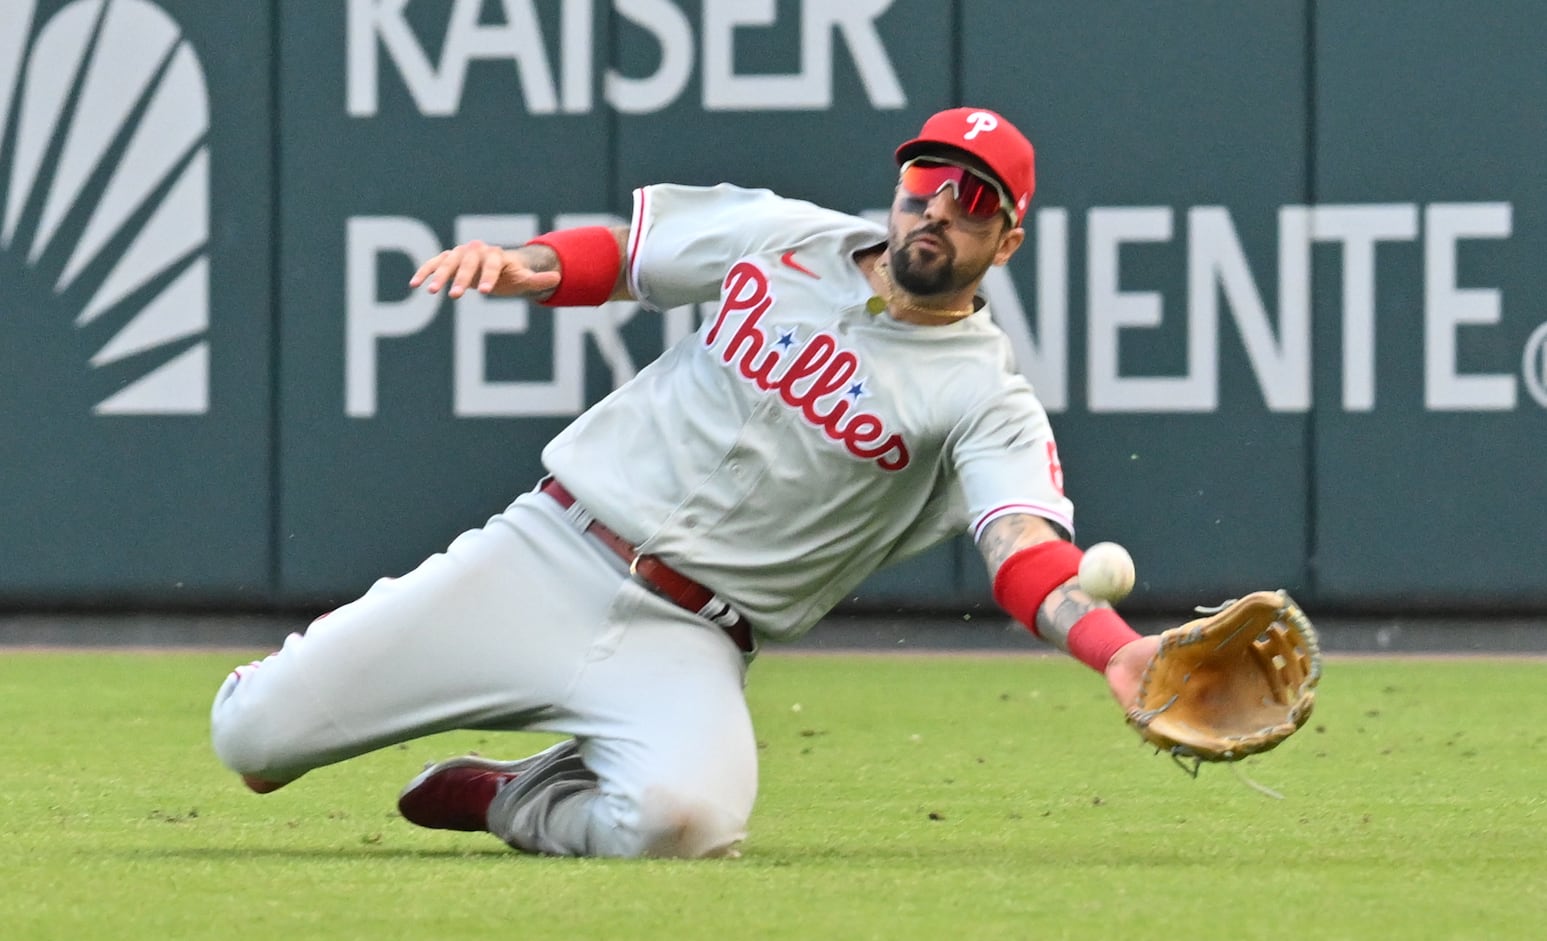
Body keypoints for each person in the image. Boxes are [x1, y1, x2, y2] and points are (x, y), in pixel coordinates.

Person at [210, 107, 1162, 860]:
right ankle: (302, 699)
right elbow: (623, 256)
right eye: (926, 181)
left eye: (975, 199)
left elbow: (1021, 549)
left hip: (690, 638)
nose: (940, 208)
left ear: (1005, 242)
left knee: (684, 826)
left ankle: (516, 796)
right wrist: (525, 268)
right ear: (900, 189)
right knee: (249, 739)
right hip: (549, 553)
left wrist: (1115, 652)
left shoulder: (984, 397)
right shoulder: (781, 239)